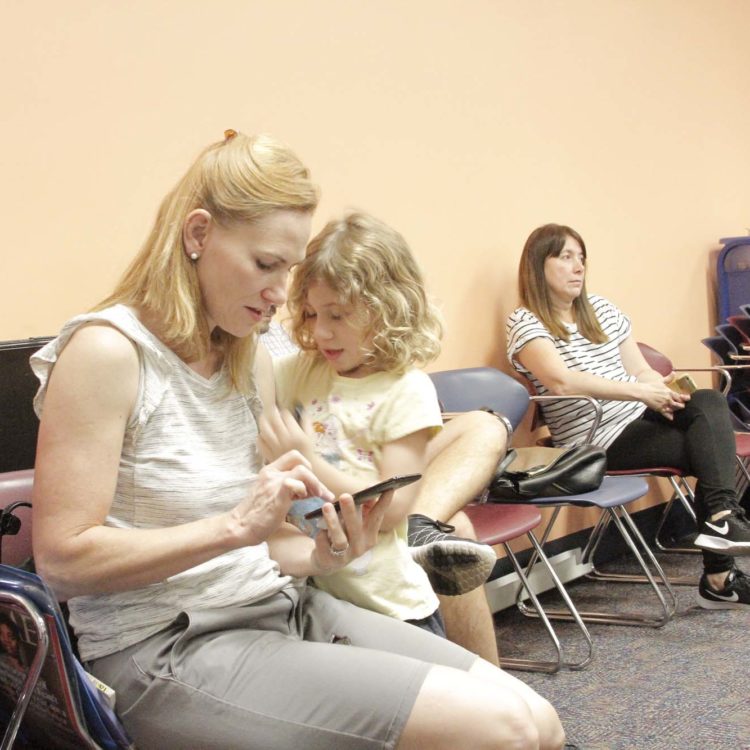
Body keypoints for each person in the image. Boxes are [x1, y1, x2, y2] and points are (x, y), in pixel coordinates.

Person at [29, 131, 565, 750]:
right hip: (165, 646)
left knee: (536, 719)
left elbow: (273, 544)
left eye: (289, 268)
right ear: (198, 235)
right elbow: (63, 561)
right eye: (264, 265)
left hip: (278, 608)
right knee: (505, 732)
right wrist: (233, 527)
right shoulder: (107, 353)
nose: (281, 294)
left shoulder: (248, 361)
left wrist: (321, 558)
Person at [506, 222, 750, 610]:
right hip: (597, 439)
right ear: (538, 266)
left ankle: (722, 521)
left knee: (707, 401)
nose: (578, 267)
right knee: (711, 449)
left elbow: (641, 370)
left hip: (641, 417)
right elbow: (561, 381)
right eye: (566, 257)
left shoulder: (601, 309)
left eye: (581, 258)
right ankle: (720, 567)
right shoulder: (526, 323)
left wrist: (659, 390)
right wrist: (642, 393)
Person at [260, 304, 506, 663]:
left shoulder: (389, 379)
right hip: (327, 488)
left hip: (359, 465)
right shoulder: (277, 363)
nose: (320, 329)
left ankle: (420, 524)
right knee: (458, 528)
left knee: (485, 425)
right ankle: (421, 527)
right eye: (312, 314)